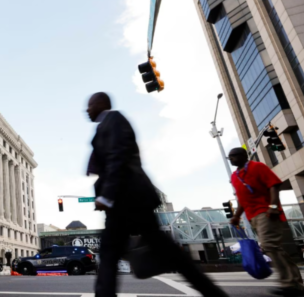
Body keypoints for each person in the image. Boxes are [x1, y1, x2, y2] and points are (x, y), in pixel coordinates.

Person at [85, 92, 228, 297]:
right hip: (123, 203)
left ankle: (213, 292)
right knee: (113, 255)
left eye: (90, 105)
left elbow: (118, 157)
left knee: (117, 254)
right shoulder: (103, 126)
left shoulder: (114, 119)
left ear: (101, 103)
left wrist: (106, 195)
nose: (87, 110)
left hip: (130, 199)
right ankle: (212, 292)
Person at [228, 147, 304, 296]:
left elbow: (274, 185)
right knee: (273, 248)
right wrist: (237, 216)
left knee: (269, 245)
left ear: (244, 155)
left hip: (265, 212)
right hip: (252, 217)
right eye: (229, 157)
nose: (231, 159)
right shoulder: (234, 176)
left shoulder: (257, 167)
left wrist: (273, 206)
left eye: (234, 156)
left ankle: (289, 283)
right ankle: (295, 285)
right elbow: (242, 199)